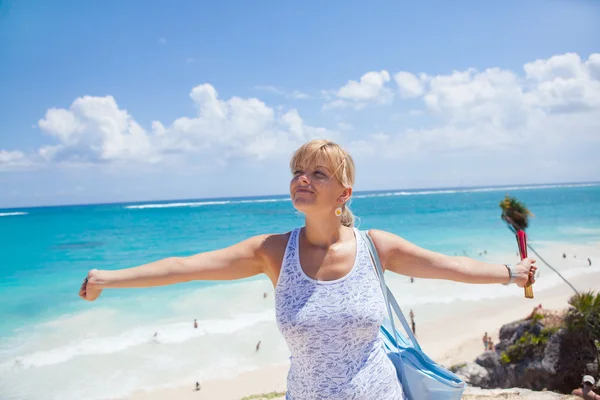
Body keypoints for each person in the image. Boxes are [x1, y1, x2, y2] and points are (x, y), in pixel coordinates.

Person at [78, 139, 537, 399]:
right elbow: (185, 267)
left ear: (344, 194)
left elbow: (449, 266)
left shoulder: (376, 246)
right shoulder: (272, 252)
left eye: (319, 173)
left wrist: (513, 273)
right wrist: (107, 278)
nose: (303, 178)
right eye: (299, 170)